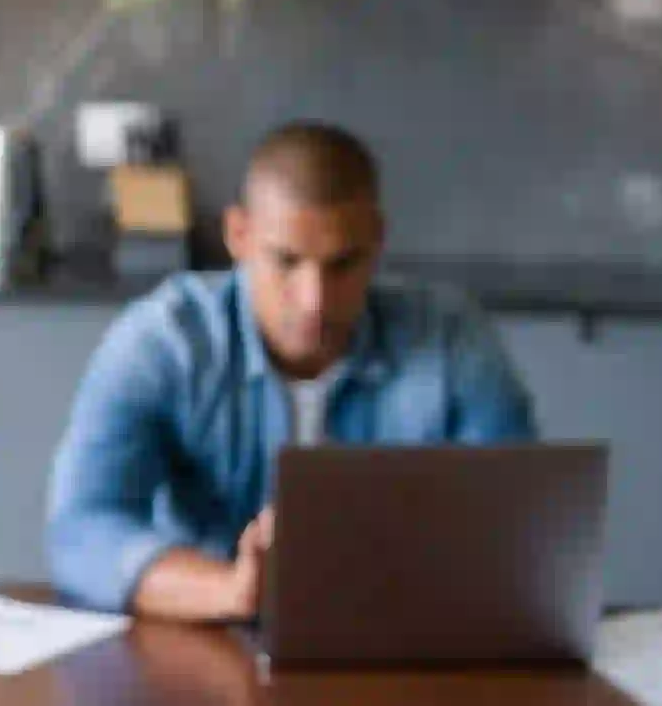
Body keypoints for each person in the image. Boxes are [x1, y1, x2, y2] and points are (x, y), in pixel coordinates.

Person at [45, 121, 536, 620]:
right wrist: (229, 590)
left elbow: (517, 529)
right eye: (286, 261)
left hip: (397, 637)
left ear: (377, 239)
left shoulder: (452, 339)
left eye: (343, 264)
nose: (314, 301)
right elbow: (82, 531)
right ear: (239, 234)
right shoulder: (164, 341)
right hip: (209, 641)